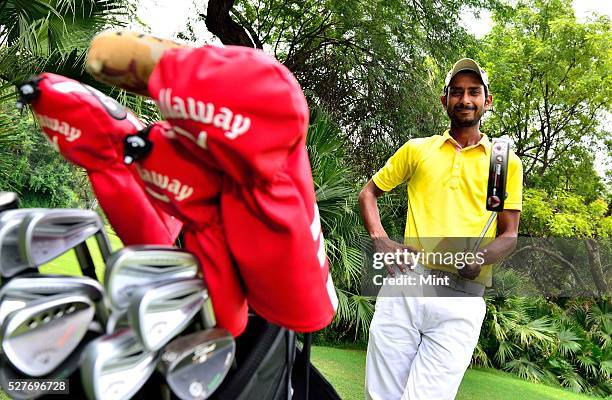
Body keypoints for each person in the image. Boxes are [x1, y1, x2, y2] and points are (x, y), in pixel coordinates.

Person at [359, 58, 523, 400]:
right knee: (381, 396)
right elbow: (369, 192)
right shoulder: (417, 150)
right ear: (444, 99)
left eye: (474, 92)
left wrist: (480, 257)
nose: (465, 99)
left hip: (462, 300)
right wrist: (380, 239)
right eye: (457, 92)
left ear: (486, 100)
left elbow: (508, 235)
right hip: (407, 285)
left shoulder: (503, 161)